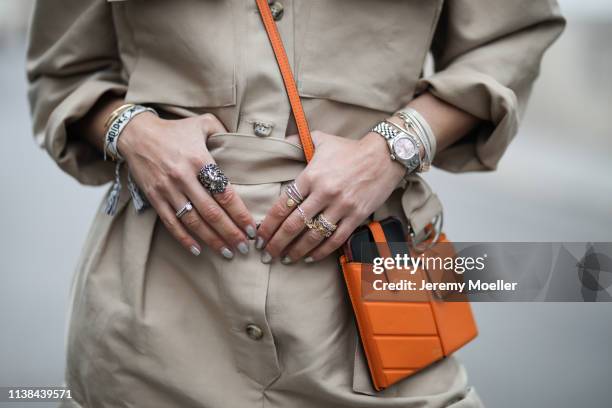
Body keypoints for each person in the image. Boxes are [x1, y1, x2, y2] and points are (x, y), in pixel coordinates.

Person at [26, 1, 564, 407]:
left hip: (380, 278)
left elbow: (509, 40)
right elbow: (64, 73)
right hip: (152, 314)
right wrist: (135, 133)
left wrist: (395, 146)